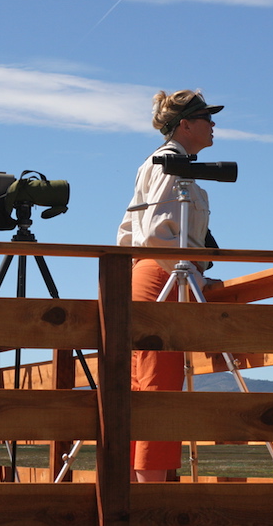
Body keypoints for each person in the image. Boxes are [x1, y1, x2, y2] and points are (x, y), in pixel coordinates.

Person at [117, 90, 224, 482]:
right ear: (186, 124)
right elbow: (155, 236)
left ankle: (133, 493)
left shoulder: (166, 165)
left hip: (149, 275)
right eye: (207, 118)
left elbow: (130, 231)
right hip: (161, 276)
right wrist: (195, 275)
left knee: (144, 389)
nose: (213, 126)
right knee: (159, 392)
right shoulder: (169, 164)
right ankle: (151, 499)